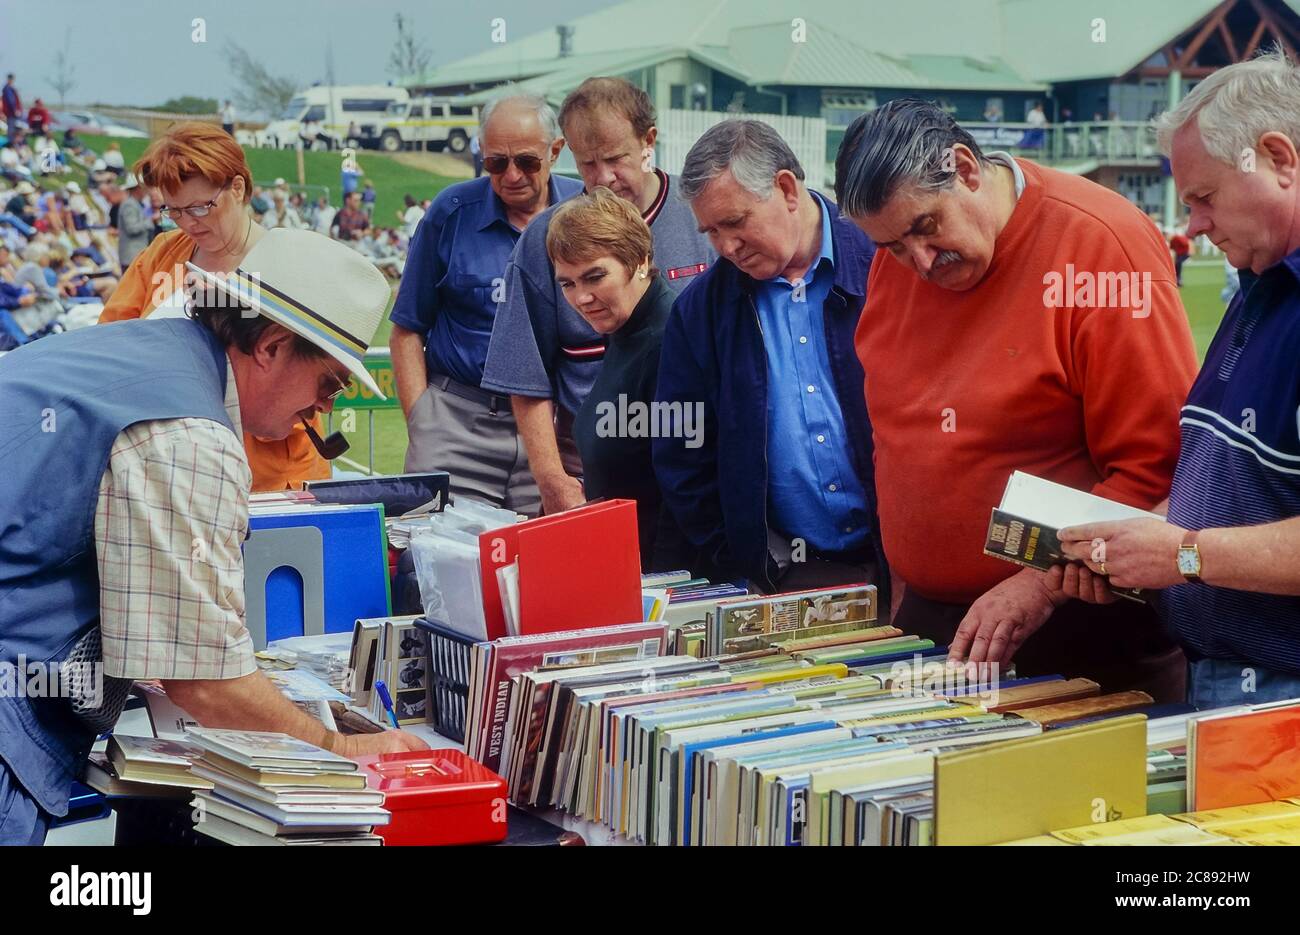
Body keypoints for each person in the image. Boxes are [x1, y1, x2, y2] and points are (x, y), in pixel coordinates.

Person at [0, 228, 429, 845]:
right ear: (273, 347)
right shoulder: (188, 431)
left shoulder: (143, 352)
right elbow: (201, 680)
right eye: (329, 385)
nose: (322, 413)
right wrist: (338, 747)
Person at [835, 98, 1197, 700]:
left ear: (966, 168)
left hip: (1075, 628)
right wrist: (907, 573)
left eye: (927, 228)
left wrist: (1039, 584)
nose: (919, 263)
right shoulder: (900, 255)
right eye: (892, 247)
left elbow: (1158, 469)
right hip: (936, 623)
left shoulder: (1102, 245)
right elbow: (897, 432)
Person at [1057, 50, 1300, 708]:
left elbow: (1201, 542)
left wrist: (1185, 554)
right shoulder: (1259, 285)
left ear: (1280, 159)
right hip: (1225, 679)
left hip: (1278, 694)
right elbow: (1235, 490)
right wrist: (1137, 543)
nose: (1191, 224)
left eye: (1204, 198)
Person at [655, 120, 883, 593]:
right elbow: (681, 457)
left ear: (786, 189)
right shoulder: (700, 312)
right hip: (786, 580)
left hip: (906, 567)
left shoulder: (889, 261)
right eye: (710, 231)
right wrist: (746, 561)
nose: (725, 247)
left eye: (735, 222)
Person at [481, 77, 715, 516]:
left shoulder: (702, 213)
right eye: (587, 163)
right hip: (589, 462)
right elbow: (526, 377)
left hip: (693, 455)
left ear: (648, 141)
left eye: (615, 158)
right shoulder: (544, 239)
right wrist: (553, 481)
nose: (603, 177)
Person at [97, 122, 332, 491]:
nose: (188, 223)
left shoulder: (289, 265)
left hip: (268, 482)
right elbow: (112, 344)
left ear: (237, 188)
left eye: (200, 207)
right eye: (172, 211)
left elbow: (306, 383)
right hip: (173, 473)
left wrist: (229, 317)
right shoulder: (163, 253)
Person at [390, 94, 582, 514]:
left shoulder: (585, 211)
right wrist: (423, 420)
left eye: (527, 162)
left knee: (542, 568)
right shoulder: (451, 212)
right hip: (457, 423)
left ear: (556, 151)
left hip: (551, 432)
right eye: (496, 163)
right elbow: (407, 327)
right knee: (434, 564)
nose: (511, 175)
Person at [551, 188, 694, 569]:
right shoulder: (626, 331)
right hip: (622, 564)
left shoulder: (666, 343)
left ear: (640, 261)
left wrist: (660, 593)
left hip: (661, 584)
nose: (581, 297)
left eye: (595, 276)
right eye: (567, 283)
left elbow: (684, 492)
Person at [116, 173, 152, 269]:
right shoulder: (129, 205)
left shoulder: (135, 204)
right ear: (138, 188)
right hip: (131, 256)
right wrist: (150, 221)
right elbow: (132, 228)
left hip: (134, 256)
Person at [2, 75, 21, 141]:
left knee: (12, 128)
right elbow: (11, 101)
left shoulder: (9, 88)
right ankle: (10, 143)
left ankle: (12, 142)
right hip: (11, 113)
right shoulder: (8, 89)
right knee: (11, 129)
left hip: (11, 112)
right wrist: (15, 110)